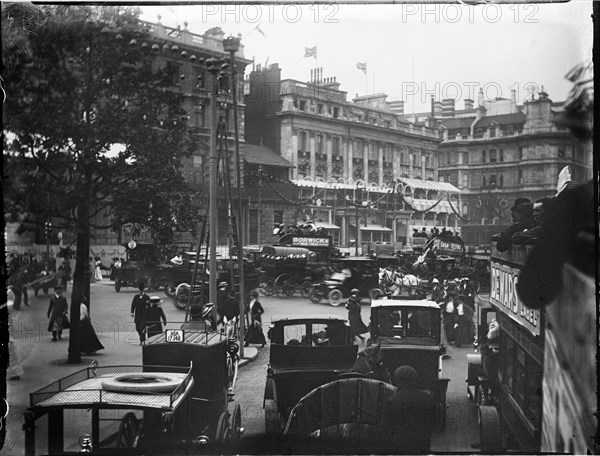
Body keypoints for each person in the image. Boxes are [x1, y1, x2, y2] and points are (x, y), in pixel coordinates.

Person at [379, 366, 436, 453]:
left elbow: (387, 429)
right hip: (422, 444)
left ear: (398, 381)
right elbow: (432, 422)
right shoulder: (427, 398)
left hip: (400, 446)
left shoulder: (392, 401)